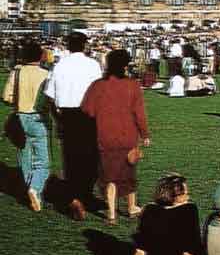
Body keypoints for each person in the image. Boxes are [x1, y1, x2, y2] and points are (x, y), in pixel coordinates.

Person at [103, 174, 202, 255]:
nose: (188, 196)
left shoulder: (150, 211)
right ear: (174, 196)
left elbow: (140, 251)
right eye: (185, 193)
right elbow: (189, 254)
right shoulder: (189, 211)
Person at [82, 49, 150, 223]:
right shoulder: (133, 85)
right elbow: (139, 113)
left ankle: (111, 213)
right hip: (128, 136)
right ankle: (131, 207)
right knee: (129, 172)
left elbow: (87, 111)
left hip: (105, 136)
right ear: (125, 66)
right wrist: (145, 134)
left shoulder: (97, 85)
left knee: (109, 176)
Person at [44, 31, 103, 220]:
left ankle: (75, 198)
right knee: (91, 158)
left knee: (70, 158)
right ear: (85, 45)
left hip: (68, 115)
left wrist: (57, 117)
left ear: (68, 45)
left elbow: (49, 96)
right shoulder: (93, 64)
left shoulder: (59, 65)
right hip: (89, 115)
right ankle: (85, 195)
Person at [2, 41, 50, 212]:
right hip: (38, 118)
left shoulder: (17, 71)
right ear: (39, 56)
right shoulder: (46, 74)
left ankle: (29, 188)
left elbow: (6, 96)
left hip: (20, 116)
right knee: (42, 162)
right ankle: (34, 188)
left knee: (25, 156)